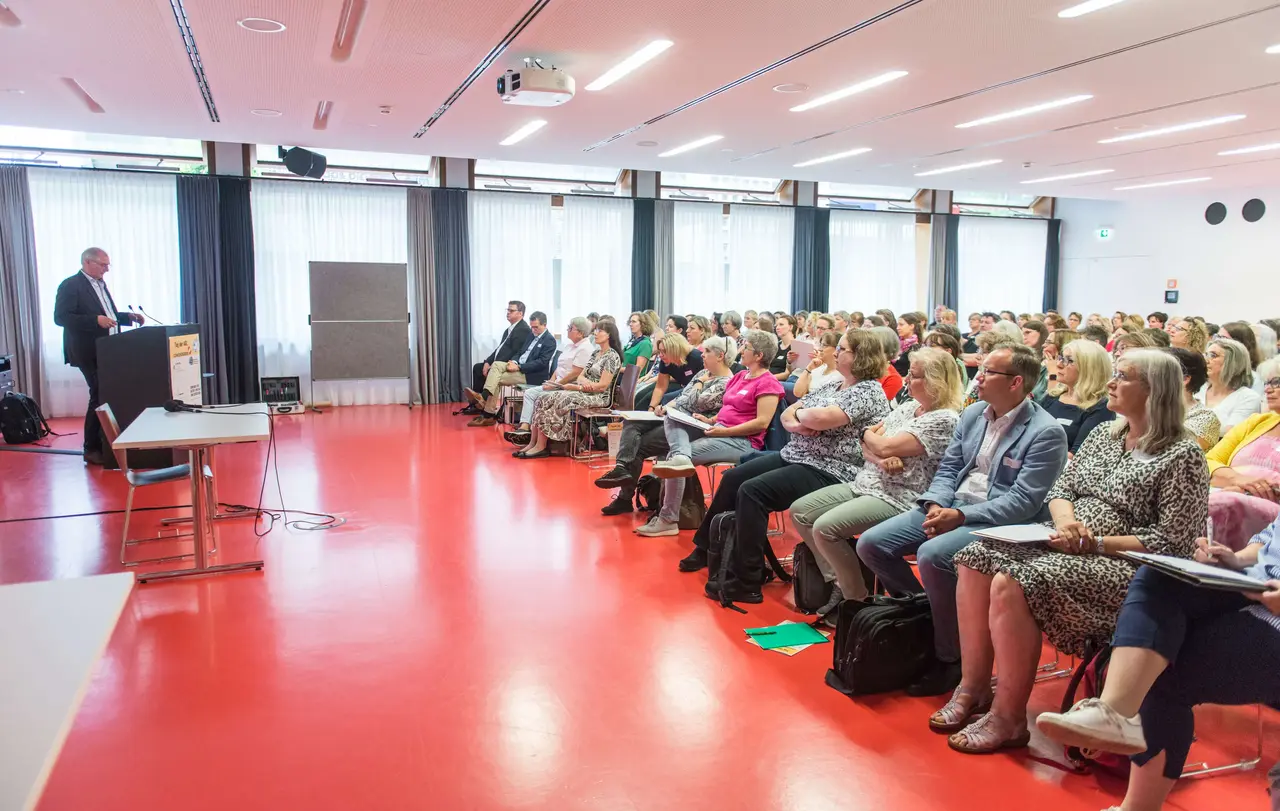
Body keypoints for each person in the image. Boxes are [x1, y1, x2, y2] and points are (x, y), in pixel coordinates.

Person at [939, 349, 1207, 755]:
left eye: (1124, 376)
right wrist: (1066, 523)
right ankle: (973, 687)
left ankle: (1008, 718)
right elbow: (1062, 490)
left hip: (1127, 565)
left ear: (1155, 391)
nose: (1111, 383)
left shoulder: (1182, 454)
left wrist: (1095, 543)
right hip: (1067, 540)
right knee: (973, 559)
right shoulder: (1105, 435)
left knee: (1014, 580)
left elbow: (1173, 542)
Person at [855, 345, 1069, 696]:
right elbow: (949, 468)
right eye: (980, 368)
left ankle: (949, 657)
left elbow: (1023, 502)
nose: (978, 377)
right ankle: (929, 618)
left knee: (933, 555)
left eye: (988, 372)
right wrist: (937, 503)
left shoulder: (1045, 432)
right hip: (951, 506)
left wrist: (961, 516)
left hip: (997, 521)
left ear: (1016, 382)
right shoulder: (973, 415)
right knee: (872, 544)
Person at [1035, 515, 1280, 811]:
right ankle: (1113, 712)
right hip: (1255, 587)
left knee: (1168, 661)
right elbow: (1270, 542)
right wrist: (1234, 558)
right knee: (1158, 580)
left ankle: (1138, 806)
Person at [677, 330, 891, 602]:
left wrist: (805, 419)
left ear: (861, 356)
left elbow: (823, 417)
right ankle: (706, 548)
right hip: (797, 454)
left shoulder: (868, 390)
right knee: (733, 479)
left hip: (830, 467)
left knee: (753, 492)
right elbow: (791, 411)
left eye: (843, 349)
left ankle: (748, 579)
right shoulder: (834, 385)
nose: (836, 352)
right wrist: (802, 421)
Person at [790, 348, 964, 616]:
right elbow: (868, 442)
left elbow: (881, 443)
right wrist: (879, 454)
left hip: (900, 496)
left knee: (825, 528)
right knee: (800, 512)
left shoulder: (944, 419)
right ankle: (839, 579)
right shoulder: (908, 408)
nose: (906, 379)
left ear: (935, 381)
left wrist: (876, 445)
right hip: (867, 480)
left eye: (914, 375)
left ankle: (856, 603)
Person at [639, 331, 784, 538]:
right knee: (674, 416)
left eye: (747, 347)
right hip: (720, 430)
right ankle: (680, 458)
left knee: (676, 457)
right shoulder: (741, 377)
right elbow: (727, 409)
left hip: (742, 441)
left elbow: (760, 424)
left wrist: (724, 430)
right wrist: (712, 420)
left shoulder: (768, 383)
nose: (741, 350)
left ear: (759, 355)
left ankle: (667, 519)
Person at [594, 337, 737, 516]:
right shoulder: (703, 374)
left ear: (720, 356)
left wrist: (693, 389)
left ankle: (624, 497)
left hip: (689, 426)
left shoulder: (726, 381)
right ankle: (621, 468)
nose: (702, 355)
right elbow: (682, 397)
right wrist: (663, 407)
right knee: (632, 422)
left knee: (638, 445)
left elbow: (696, 403)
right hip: (675, 416)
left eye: (707, 352)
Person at [52, 247, 145, 465]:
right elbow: (61, 317)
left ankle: (106, 442)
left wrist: (127, 317)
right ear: (88, 262)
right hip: (86, 349)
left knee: (104, 393)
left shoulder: (100, 284)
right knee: (98, 394)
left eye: (108, 264)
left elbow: (107, 315)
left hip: (107, 348)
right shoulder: (71, 285)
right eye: (103, 265)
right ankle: (91, 447)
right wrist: (95, 321)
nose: (107, 269)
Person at [515, 320, 622, 459]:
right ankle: (533, 443)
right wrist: (584, 384)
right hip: (585, 390)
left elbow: (603, 386)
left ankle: (542, 446)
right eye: (595, 331)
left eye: (599, 331)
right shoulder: (596, 353)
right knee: (542, 397)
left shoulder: (612, 356)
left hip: (598, 396)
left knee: (559, 398)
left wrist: (580, 386)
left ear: (609, 335)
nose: (595, 334)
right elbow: (581, 375)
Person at [1205, 358, 1280, 549]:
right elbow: (1208, 461)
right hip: (1226, 492)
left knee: (1227, 503)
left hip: (1272, 514)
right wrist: (1237, 479)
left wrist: (1244, 491)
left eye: (1277, 382)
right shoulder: (1257, 422)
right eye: (1267, 383)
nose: (1268, 389)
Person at [503, 317, 595, 445]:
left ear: (580, 333)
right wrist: (550, 382)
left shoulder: (585, 348)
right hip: (557, 384)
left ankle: (534, 436)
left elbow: (576, 374)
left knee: (540, 396)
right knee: (530, 393)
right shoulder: (570, 346)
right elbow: (559, 368)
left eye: (570, 328)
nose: (567, 330)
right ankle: (525, 429)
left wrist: (556, 385)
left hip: (569, 386)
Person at [466, 310, 558, 427]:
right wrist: (513, 361)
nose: (533, 330)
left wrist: (519, 366)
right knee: (496, 364)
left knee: (496, 379)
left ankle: (486, 410)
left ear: (544, 325)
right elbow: (520, 351)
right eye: (532, 327)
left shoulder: (549, 340)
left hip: (530, 374)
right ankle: (485, 404)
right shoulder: (531, 335)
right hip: (518, 366)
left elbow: (541, 362)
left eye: (536, 327)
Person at [1037, 339, 1115, 455]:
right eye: (1062, 358)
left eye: (1069, 360)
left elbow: (1077, 455)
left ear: (1089, 368)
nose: (1059, 364)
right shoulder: (1052, 396)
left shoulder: (1100, 407)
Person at [465, 300, 532, 413]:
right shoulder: (509, 329)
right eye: (508, 310)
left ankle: (482, 402)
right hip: (498, 362)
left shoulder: (523, 329)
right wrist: (487, 362)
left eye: (511, 310)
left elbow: (515, 353)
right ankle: (477, 404)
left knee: (489, 371)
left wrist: (495, 365)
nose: (508, 313)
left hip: (508, 364)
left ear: (520, 313)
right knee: (478, 367)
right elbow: (499, 349)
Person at [1162, 346, 1220, 454]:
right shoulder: (1149, 406)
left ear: (1184, 379)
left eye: (1160, 372)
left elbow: (1173, 454)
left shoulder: (1205, 417)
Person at [1199, 338, 1263, 430]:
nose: (1206, 360)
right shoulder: (1197, 388)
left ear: (1234, 362)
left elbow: (1231, 437)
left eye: (1213, 355)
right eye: (1206, 355)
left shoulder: (1248, 398)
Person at [638, 333, 704, 411]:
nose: (661, 355)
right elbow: (660, 387)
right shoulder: (665, 360)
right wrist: (651, 407)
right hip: (680, 384)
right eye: (660, 351)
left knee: (667, 398)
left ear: (675, 350)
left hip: (696, 389)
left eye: (664, 351)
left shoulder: (697, 358)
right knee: (642, 396)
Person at [792, 332, 843, 398]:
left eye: (824, 345)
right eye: (820, 345)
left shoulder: (840, 375)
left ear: (837, 349)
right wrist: (809, 368)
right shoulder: (818, 369)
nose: (819, 349)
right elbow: (798, 393)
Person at [771, 315, 798, 380]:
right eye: (776, 325)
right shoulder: (775, 346)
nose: (777, 328)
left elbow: (787, 374)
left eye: (781, 325)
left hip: (780, 381)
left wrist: (767, 378)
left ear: (790, 327)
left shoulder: (796, 346)